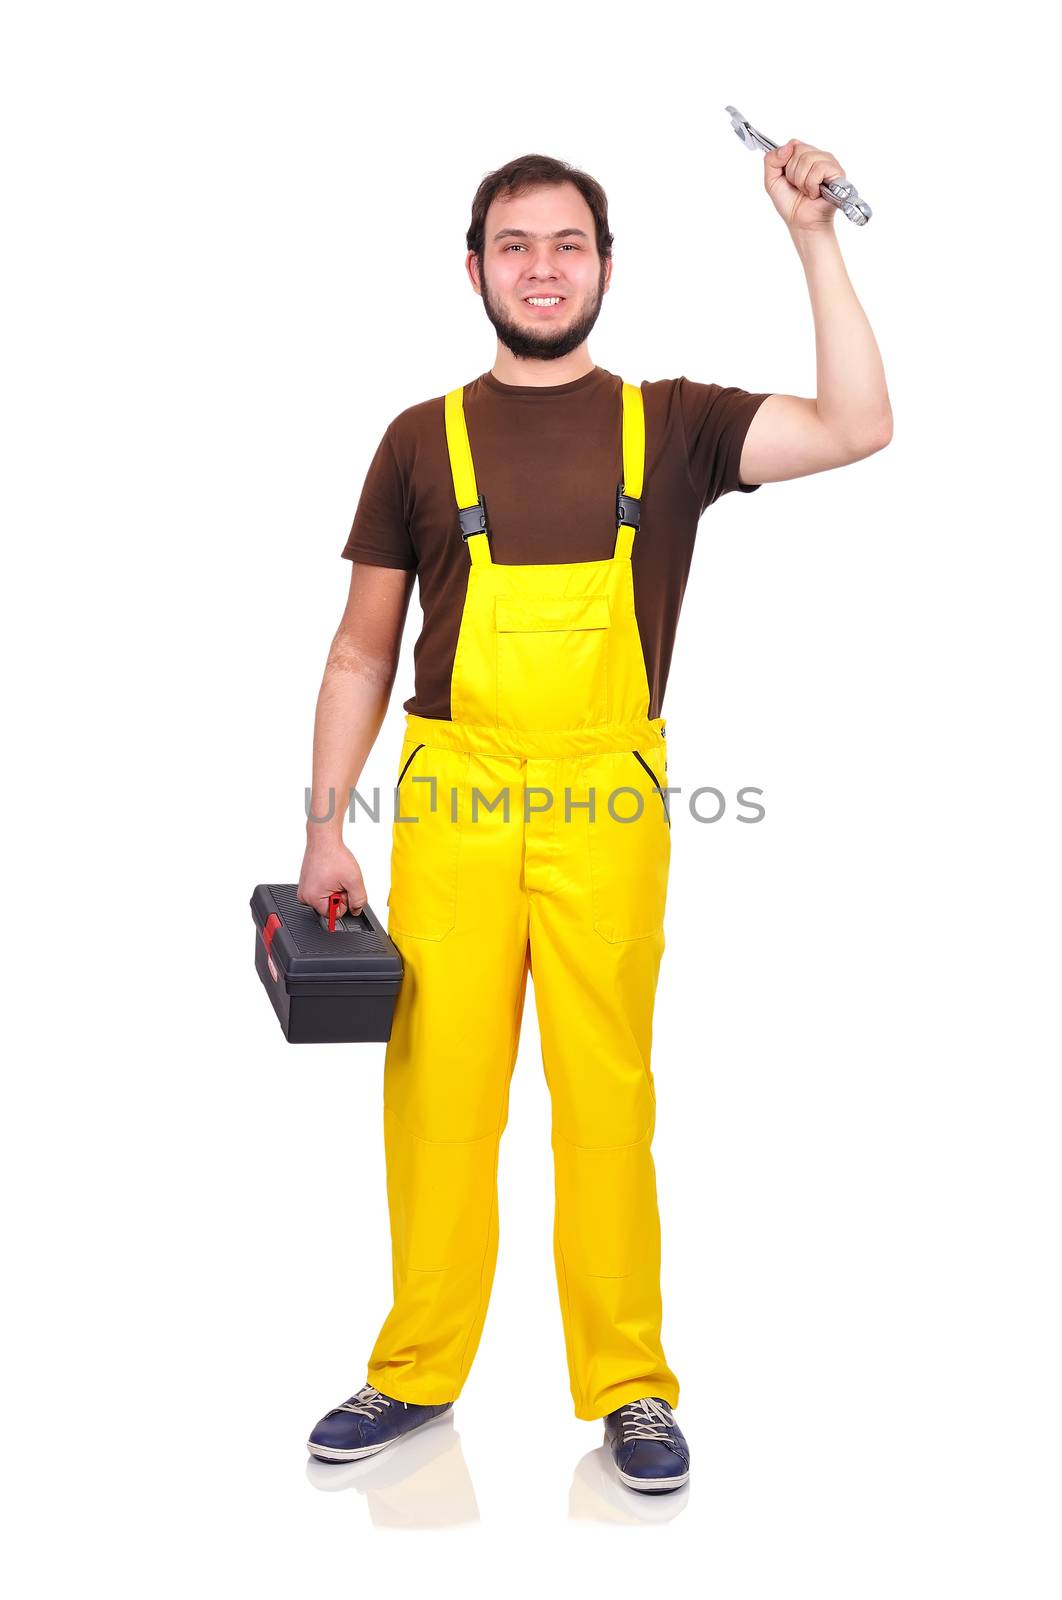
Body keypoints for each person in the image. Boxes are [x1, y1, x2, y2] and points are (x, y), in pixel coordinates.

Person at [297, 149, 892, 1494]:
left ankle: (627, 1385)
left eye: (568, 243)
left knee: (603, 1101)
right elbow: (356, 655)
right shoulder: (417, 438)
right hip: (449, 798)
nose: (543, 266)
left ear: (605, 267)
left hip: (604, 798)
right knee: (437, 1096)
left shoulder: (669, 426)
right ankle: (414, 1372)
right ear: (475, 269)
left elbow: (856, 425)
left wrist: (809, 239)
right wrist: (327, 831)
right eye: (515, 245)